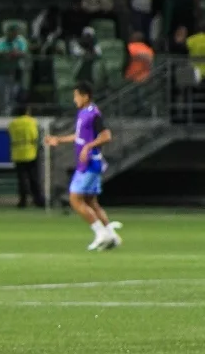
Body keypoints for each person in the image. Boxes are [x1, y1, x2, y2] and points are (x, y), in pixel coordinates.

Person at [44, 82, 123, 251]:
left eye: (76, 96)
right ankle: (112, 235)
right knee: (90, 202)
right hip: (88, 162)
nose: (75, 100)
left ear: (85, 96)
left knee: (74, 199)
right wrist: (59, 139)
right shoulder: (83, 113)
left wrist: (88, 147)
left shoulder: (94, 114)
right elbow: (79, 136)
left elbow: (106, 136)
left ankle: (100, 233)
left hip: (90, 162)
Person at [7, 105, 45, 208]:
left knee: (22, 179)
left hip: (17, 154)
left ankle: (22, 201)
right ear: (27, 111)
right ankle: (38, 200)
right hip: (31, 152)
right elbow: (35, 136)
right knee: (34, 178)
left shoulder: (13, 124)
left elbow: (11, 135)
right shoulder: (32, 122)